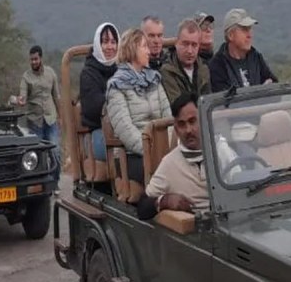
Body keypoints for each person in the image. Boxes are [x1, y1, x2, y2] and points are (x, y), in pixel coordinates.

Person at [106, 28, 171, 192]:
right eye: (144, 46)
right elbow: (125, 130)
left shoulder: (154, 80)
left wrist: (169, 145)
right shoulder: (116, 86)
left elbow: (168, 118)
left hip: (160, 150)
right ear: (132, 49)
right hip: (131, 155)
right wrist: (149, 150)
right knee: (165, 176)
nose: (149, 51)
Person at [137, 93, 206, 220]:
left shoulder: (221, 150)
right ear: (176, 129)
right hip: (196, 226)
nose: (188, 130)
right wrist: (164, 201)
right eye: (182, 124)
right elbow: (142, 207)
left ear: (203, 119)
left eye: (192, 121)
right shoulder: (170, 163)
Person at [209, 8, 277, 92]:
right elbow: (224, 97)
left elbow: (273, 83)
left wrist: (269, 85)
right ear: (230, 35)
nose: (249, 35)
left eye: (250, 29)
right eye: (245, 29)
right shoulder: (218, 65)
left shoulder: (256, 57)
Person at [19, 45, 62, 177]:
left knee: (55, 151)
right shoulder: (26, 77)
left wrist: (60, 116)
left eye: (36, 59)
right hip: (35, 121)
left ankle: (55, 181)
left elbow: (56, 96)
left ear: (41, 58)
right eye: (31, 59)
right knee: (38, 155)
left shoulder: (51, 73)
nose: (33, 62)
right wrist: (20, 100)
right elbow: (23, 95)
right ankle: (42, 182)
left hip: (51, 118)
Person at [79, 22, 119, 161]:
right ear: (98, 44)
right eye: (105, 42)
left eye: (113, 42)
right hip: (97, 131)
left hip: (122, 127)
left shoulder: (121, 69)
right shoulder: (88, 74)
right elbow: (93, 108)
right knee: (120, 151)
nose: (110, 47)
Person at [161, 19, 211, 103]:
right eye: (185, 44)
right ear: (176, 44)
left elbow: (209, 100)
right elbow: (177, 104)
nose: (189, 51)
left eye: (194, 45)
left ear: (199, 46)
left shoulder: (204, 69)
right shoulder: (167, 71)